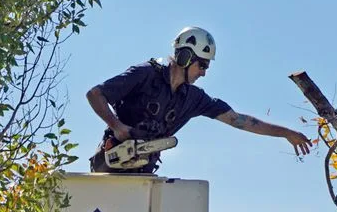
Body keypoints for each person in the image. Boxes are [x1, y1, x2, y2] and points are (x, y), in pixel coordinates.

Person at [87, 26, 312, 173]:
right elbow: (95, 94)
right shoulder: (145, 74)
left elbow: (237, 119)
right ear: (185, 57)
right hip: (110, 167)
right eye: (202, 64)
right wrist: (116, 126)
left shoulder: (193, 99)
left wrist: (285, 133)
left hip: (143, 174)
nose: (204, 72)